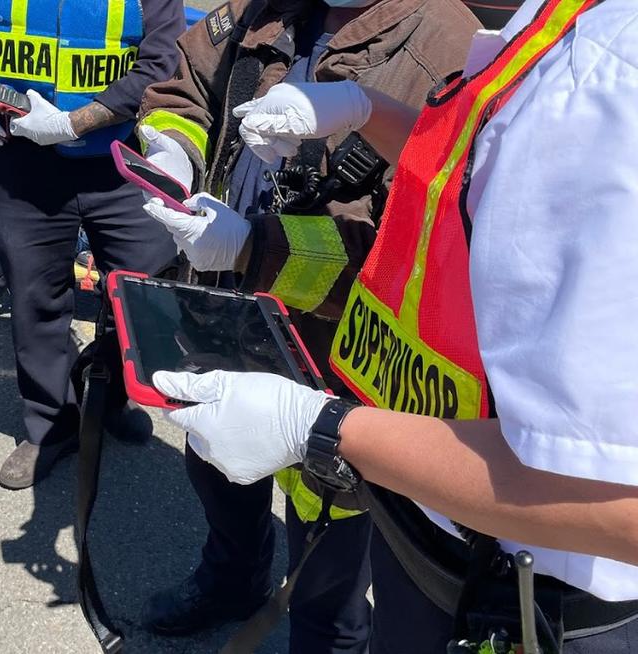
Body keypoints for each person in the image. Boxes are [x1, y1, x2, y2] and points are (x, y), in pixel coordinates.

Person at [149, 0, 638, 651]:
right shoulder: (560, 25)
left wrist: (321, 426)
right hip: (427, 500)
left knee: (326, 599)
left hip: (518, 576)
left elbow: (611, 495)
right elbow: (476, 184)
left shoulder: (611, 67)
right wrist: (368, 111)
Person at [133, 0, 478, 649]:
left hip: (335, 362)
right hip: (225, 305)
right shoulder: (264, 10)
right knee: (214, 463)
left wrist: (252, 247)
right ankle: (231, 579)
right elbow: (188, 83)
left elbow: (410, 263)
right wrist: (173, 149)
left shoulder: (445, 47)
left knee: (326, 584)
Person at [0, 0, 180, 490]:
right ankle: (51, 426)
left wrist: (74, 123)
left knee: (144, 291)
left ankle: (108, 393)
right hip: (21, 160)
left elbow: (162, 61)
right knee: (35, 299)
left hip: (120, 158)